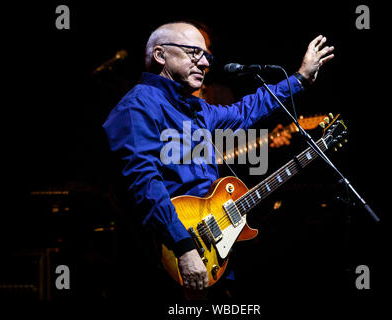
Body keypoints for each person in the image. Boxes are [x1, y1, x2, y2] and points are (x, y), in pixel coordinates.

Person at [102, 21, 334, 297]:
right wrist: (185, 247)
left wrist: (299, 79)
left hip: (211, 253)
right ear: (160, 55)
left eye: (207, 57)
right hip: (170, 258)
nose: (204, 63)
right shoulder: (137, 106)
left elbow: (246, 110)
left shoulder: (195, 109)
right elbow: (144, 185)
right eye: (193, 53)